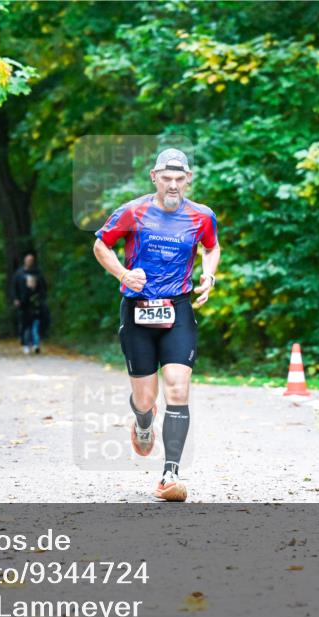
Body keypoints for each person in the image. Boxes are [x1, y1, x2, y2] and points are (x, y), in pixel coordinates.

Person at [92, 148, 220, 502]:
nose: (173, 185)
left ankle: (170, 473)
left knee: (178, 389)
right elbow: (101, 245)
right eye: (167, 179)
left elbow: (212, 247)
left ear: (189, 179)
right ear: (154, 177)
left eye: (180, 179)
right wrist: (122, 273)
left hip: (177, 310)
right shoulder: (134, 211)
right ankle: (144, 420)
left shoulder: (201, 216)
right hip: (137, 310)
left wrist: (209, 275)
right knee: (146, 399)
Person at [11, 252, 48, 354]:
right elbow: (14, 288)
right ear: (25, 261)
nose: (29, 262)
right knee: (24, 325)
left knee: (36, 324)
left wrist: (39, 295)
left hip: (35, 304)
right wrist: (16, 299)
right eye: (28, 260)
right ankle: (25, 344)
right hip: (23, 304)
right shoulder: (19, 274)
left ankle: (36, 344)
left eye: (31, 260)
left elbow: (44, 288)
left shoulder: (38, 273)